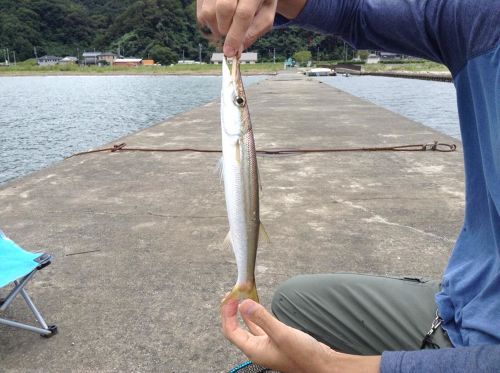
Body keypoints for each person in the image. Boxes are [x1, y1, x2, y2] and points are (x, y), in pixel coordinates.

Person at [197, 0, 500, 371]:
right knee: (295, 302)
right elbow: (354, 14)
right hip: (468, 303)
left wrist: (332, 365)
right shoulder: (479, 16)